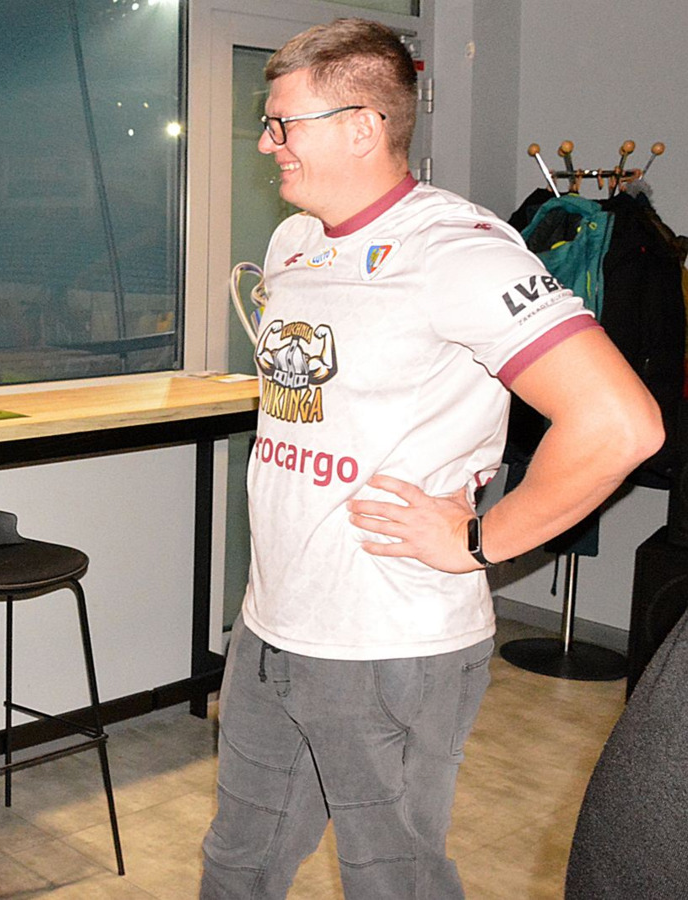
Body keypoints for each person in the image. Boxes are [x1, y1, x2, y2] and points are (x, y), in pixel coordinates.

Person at [200, 18, 663, 900]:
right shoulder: (294, 244)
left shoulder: (458, 251)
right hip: (271, 629)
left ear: (362, 127)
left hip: (391, 647)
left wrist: (480, 541)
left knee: (394, 883)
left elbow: (620, 423)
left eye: (283, 123)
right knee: (236, 865)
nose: (267, 143)